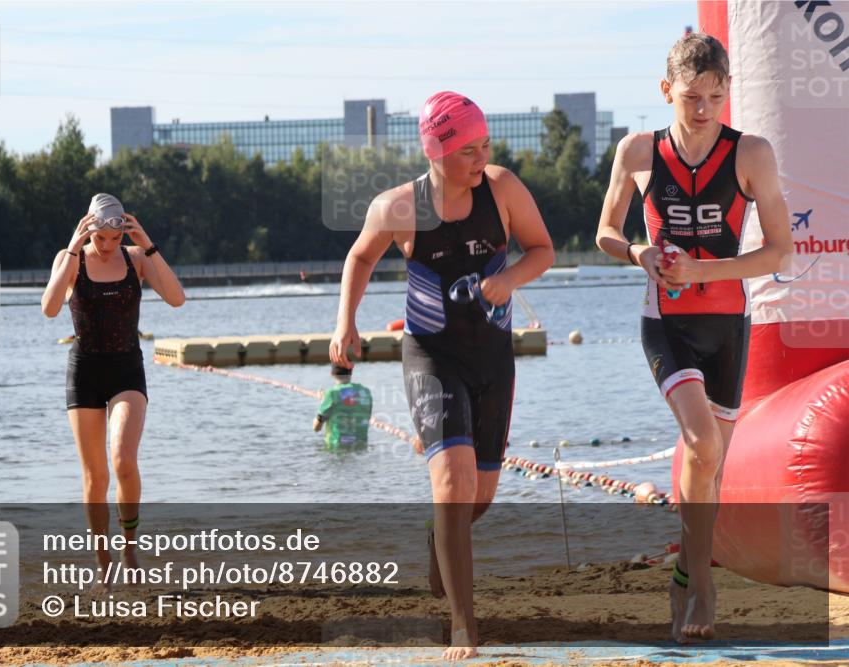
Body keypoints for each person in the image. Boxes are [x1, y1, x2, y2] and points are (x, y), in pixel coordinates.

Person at [330, 92, 554, 660]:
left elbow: (543, 249)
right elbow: (360, 257)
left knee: (477, 498)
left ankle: (440, 538)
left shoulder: (502, 188)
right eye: (468, 149)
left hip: (491, 358)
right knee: (452, 488)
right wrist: (345, 323)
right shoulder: (399, 207)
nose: (481, 158)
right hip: (431, 356)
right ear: (436, 150)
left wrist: (512, 280)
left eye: (486, 145)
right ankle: (462, 628)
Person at [595, 33, 792, 643]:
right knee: (702, 441)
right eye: (690, 97)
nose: (703, 109)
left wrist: (705, 270)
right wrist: (640, 251)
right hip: (666, 325)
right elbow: (605, 229)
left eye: (715, 96)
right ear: (666, 92)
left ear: (728, 92)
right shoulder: (638, 151)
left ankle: (685, 569)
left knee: (711, 464)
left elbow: (780, 250)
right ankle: (704, 586)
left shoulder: (751, 154)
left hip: (729, 324)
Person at [41, 193, 185, 587]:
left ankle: (129, 545)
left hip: (126, 371)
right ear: (89, 229)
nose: (107, 247)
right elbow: (50, 308)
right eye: (100, 239)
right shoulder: (69, 258)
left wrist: (149, 245)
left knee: (123, 459)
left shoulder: (137, 258)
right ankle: (103, 556)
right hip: (84, 371)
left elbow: (176, 298)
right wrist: (73, 249)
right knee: (96, 475)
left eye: (114, 239)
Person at [312, 364, 372, 448]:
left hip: (336, 447)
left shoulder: (331, 393)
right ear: (351, 372)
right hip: (361, 446)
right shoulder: (366, 392)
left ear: (332, 374)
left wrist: (323, 401)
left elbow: (316, 428)